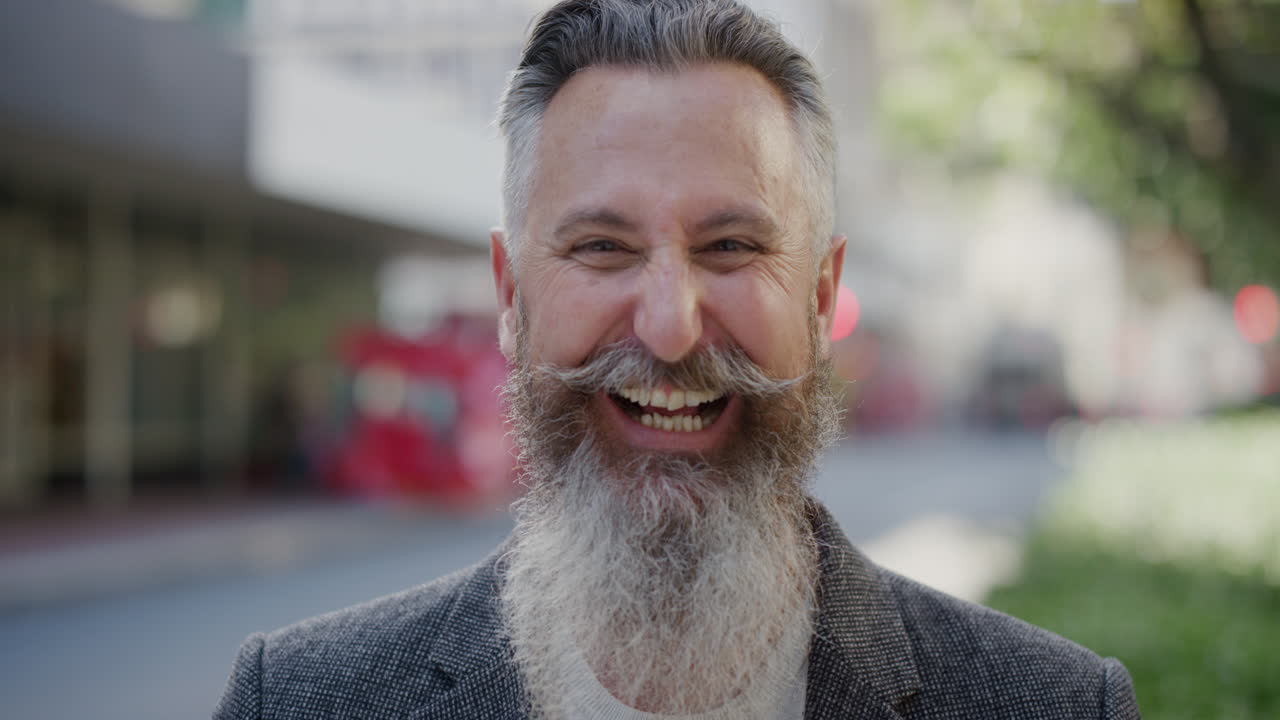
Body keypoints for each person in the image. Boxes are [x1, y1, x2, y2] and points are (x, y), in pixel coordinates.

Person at [214, 1, 1141, 718]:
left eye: (730, 247)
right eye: (602, 248)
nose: (668, 328)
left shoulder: (1055, 706)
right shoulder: (294, 701)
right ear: (510, 296)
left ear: (821, 299)